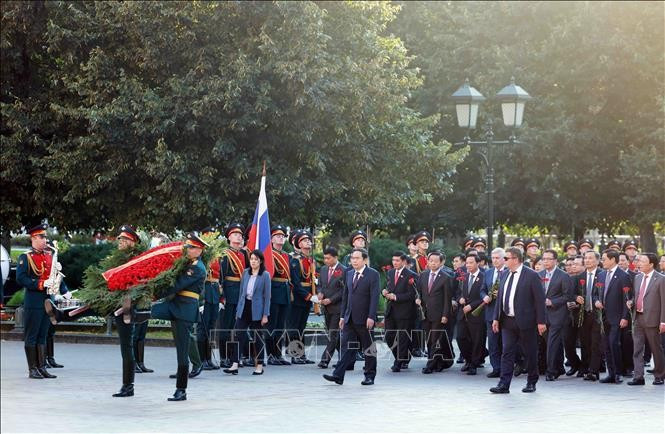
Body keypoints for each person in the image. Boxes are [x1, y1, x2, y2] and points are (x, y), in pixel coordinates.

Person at [151, 233, 207, 401]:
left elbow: (177, 285)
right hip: (173, 304)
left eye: (191, 248)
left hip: (185, 310)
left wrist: (155, 293)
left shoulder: (197, 268)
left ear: (199, 250)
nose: (188, 250)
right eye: (188, 247)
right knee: (144, 312)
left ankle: (181, 390)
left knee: (182, 352)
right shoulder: (186, 263)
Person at [490, 247, 547, 394]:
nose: (504, 260)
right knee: (507, 352)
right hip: (507, 321)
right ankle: (504, 384)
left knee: (530, 352)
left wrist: (541, 321)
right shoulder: (505, 275)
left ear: (515, 259)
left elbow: (539, 301)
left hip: (526, 321)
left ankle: (531, 382)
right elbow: (500, 299)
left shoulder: (532, 275)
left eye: (506, 258)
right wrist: (496, 317)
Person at [323, 248, 379, 386]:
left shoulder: (373, 274)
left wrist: (371, 316)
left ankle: (370, 376)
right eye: (352, 258)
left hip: (365, 318)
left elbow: (374, 297)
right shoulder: (348, 273)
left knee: (368, 348)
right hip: (349, 318)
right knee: (347, 347)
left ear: (364, 260)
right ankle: (338, 376)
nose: (354, 261)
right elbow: (346, 296)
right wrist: (342, 316)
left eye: (357, 258)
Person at [16, 224, 59, 379]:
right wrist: (40, 283)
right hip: (34, 301)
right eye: (42, 237)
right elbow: (21, 278)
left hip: (47, 300)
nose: (45, 240)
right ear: (33, 238)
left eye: (45, 237)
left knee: (42, 335)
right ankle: (32, 368)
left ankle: (41, 367)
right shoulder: (25, 257)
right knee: (32, 335)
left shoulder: (48, 256)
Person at [224, 250, 271, 375]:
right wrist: (238, 310)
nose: (253, 261)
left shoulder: (265, 275)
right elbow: (241, 293)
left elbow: (267, 296)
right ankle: (234, 364)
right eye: (251, 259)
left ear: (260, 261)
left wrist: (265, 314)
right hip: (244, 307)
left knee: (258, 338)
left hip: (257, 310)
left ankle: (259, 365)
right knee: (238, 335)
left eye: (256, 259)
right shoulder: (245, 273)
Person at [627, 253, 665, 386]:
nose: (639, 263)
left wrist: (663, 321)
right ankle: (638, 377)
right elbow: (636, 296)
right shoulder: (637, 278)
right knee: (637, 349)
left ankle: (659, 375)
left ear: (651, 264)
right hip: (638, 318)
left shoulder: (661, 279)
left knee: (656, 348)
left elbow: (664, 302)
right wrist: (631, 302)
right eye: (639, 261)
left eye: (642, 261)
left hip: (653, 320)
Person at [594, 249, 631, 384]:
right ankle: (611, 373)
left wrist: (625, 317)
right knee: (606, 346)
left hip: (617, 317)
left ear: (613, 260)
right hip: (603, 317)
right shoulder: (601, 275)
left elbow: (626, 299)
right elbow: (595, 293)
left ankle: (618, 373)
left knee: (614, 343)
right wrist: (596, 300)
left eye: (604, 259)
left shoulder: (623, 276)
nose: (602, 262)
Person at [217, 223, 249, 368]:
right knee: (226, 327)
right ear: (229, 237)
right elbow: (221, 276)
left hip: (241, 293)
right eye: (235, 234)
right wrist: (221, 296)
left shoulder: (243, 254)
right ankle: (224, 356)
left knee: (238, 328)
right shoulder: (224, 253)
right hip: (229, 293)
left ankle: (235, 356)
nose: (238, 236)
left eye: (240, 234)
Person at [539, 249, 573, 381]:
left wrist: (552, 302)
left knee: (552, 343)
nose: (545, 261)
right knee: (552, 343)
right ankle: (559, 367)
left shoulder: (563, 275)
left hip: (558, 314)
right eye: (544, 259)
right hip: (543, 315)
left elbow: (568, 296)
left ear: (555, 261)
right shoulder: (539, 274)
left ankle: (551, 371)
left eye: (548, 259)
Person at [417, 251, 454, 374]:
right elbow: (420, 292)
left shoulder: (445, 277)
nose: (432, 263)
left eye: (435, 261)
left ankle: (430, 365)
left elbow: (447, 299)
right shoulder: (423, 275)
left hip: (439, 315)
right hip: (425, 313)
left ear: (441, 262)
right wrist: (418, 299)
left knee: (435, 339)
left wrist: (445, 315)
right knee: (429, 339)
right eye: (430, 260)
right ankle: (439, 362)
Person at [383, 251, 417, 372]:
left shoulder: (411, 275)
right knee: (389, 336)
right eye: (393, 260)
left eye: (397, 260)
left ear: (403, 261)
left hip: (404, 311)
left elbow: (412, 294)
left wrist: (396, 297)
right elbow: (389, 286)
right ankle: (403, 356)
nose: (395, 263)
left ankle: (398, 361)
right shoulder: (391, 272)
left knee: (403, 337)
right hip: (391, 310)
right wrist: (385, 292)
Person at [266, 225, 294, 366]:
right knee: (272, 325)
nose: (281, 238)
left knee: (280, 325)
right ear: (271, 239)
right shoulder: (268, 254)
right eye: (277, 236)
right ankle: (271, 354)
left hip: (284, 291)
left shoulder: (285, 255)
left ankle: (278, 354)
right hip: (273, 291)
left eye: (282, 236)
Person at [287, 231, 317, 364]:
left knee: (302, 327)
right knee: (294, 327)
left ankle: (302, 354)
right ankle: (295, 354)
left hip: (308, 297)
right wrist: (309, 296)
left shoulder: (310, 260)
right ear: (299, 244)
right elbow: (296, 283)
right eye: (305, 241)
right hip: (299, 297)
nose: (308, 243)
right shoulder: (295, 260)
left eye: (309, 241)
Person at [455, 254, 486, 375]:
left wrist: (472, 306)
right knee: (460, 337)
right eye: (467, 263)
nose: (468, 265)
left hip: (476, 313)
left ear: (477, 263)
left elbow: (485, 296)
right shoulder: (464, 277)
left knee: (476, 340)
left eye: (471, 263)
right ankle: (468, 360)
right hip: (463, 313)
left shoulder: (484, 277)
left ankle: (474, 364)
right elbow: (458, 293)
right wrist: (460, 299)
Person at [317, 247, 346, 368]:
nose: (325, 260)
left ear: (335, 258)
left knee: (333, 334)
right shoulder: (323, 269)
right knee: (333, 335)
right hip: (326, 308)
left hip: (337, 308)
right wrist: (320, 293)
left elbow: (344, 290)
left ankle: (325, 360)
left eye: (328, 258)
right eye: (324, 258)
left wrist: (331, 299)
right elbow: (320, 285)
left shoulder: (344, 270)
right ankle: (346, 359)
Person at [197, 227, 221, 371]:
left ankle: (208, 359)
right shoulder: (201, 255)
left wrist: (220, 298)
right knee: (202, 328)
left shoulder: (217, 255)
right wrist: (200, 300)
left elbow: (220, 276)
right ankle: (201, 359)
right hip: (205, 293)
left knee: (211, 328)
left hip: (214, 293)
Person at [482, 248, 507, 378]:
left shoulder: (509, 272)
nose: (495, 260)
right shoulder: (488, 273)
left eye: (497, 258)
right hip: (490, 312)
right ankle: (496, 368)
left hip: (505, 314)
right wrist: (484, 296)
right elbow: (482, 290)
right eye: (493, 258)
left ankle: (506, 368)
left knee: (505, 343)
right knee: (492, 343)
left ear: (504, 259)